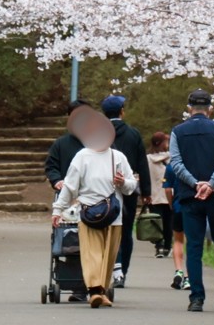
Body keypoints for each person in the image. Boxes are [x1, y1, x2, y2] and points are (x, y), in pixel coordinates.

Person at [50, 107, 139, 307]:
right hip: (89, 212)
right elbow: (70, 186)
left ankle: (101, 289)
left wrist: (122, 182)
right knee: (92, 253)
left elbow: (131, 187)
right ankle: (94, 290)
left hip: (113, 214)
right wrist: (58, 209)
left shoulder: (118, 157)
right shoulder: (82, 156)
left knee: (109, 256)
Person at [167, 88, 214, 311]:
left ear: (189, 109)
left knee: (194, 246)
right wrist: (211, 184)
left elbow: (176, 164)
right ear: (210, 109)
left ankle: (196, 297)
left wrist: (195, 183)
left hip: (189, 195)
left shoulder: (178, 132)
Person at [100, 94, 151, 287]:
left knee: (103, 229)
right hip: (128, 190)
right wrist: (146, 191)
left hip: (102, 190)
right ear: (122, 111)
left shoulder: (98, 133)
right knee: (125, 231)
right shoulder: (133, 134)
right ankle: (122, 273)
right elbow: (142, 163)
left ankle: (106, 269)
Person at [147, 131, 182, 276]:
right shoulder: (172, 158)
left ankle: (159, 246)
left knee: (156, 222)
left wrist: (145, 193)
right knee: (168, 223)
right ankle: (167, 247)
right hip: (169, 195)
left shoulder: (147, 159)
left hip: (154, 195)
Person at [43, 98, 90, 188]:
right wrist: (56, 180)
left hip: (96, 198)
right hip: (67, 196)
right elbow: (51, 167)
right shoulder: (60, 144)